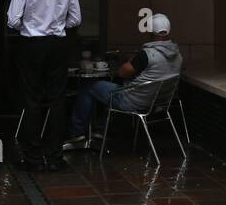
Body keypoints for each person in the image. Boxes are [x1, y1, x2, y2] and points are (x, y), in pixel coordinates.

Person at [6, 0, 81, 170]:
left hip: (32, 44)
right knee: (57, 99)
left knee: (31, 99)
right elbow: (75, 19)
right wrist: (57, 24)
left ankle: (34, 158)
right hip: (57, 43)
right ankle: (55, 156)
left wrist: (29, 26)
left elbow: (12, 20)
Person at [64, 14, 182, 145]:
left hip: (132, 102)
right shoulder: (178, 56)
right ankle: (100, 130)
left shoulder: (147, 55)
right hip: (157, 103)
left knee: (89, 86)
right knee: (110, 89)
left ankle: (77, 132)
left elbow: (122, 73)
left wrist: (131, 61)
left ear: (151, 32)